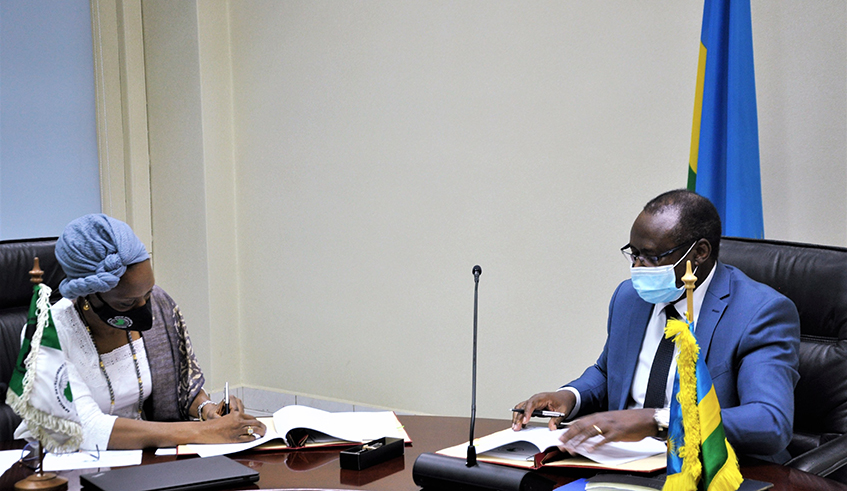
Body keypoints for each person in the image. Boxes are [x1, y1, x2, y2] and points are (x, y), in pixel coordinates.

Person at [511, 189, 800, 462]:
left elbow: (769, 421)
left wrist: (657, 421)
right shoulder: (629, 297)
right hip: (622, 461)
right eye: (634, 253)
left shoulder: (760, 312)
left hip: (713, 468)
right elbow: (608, 373)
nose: (637, 267)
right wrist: (569, 397)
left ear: (699, 252)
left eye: (652, 257)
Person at [14, 214, 265, 450]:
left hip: (144, 457)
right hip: (72, 462)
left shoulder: (159, 304)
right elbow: (83, 427)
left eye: (147, 293)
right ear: (88, 296)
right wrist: (203, 432)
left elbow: (183, 387)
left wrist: (208, 410)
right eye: (127, 303)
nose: (144, 307)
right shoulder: (48, 332)